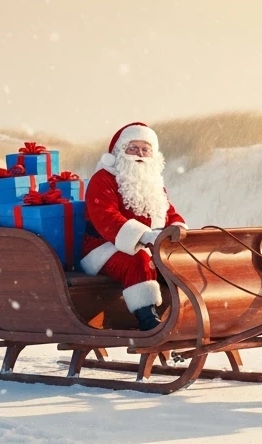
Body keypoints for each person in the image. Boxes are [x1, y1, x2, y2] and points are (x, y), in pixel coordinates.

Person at [78, 122, 186, 331]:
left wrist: (177, 228)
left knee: (177, 261)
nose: (140, 154)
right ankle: (148, 320)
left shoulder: (153, 182)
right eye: (133, 148)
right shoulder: (103, 179)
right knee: (139, 259)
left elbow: (168, 212)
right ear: (119, 151)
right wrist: (143, 236)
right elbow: (106, 218)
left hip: (149, 244)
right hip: (103, 249)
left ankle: (181, 314)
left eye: (145, 149)